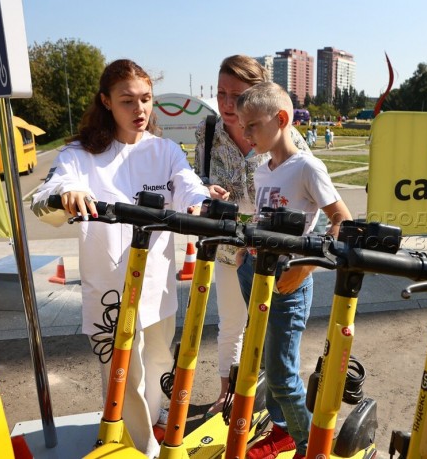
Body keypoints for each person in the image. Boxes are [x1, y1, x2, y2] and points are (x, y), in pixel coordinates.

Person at [30, 59, 209, 458]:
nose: (140, 110)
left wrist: (201, 204)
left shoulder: (164, 151)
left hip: (157, 283)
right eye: (127, 101)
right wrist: (68, 193)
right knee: (122, 375)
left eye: (146, 99)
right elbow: (54, 187)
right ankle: (138, 447)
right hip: (111, 288)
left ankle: (153, 430)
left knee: (160, 362)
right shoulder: (81, 153)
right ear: (105, 102)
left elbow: (188, 186)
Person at [235, 81, 352, 459]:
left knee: (283, 375)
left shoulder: (306, 166)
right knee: (265, 362)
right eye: (242, 125)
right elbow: (262, 218)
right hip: (255, 272)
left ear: (281, 119)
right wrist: (244, 252)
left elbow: (341, 222)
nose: (245, 133)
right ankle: (283, 430)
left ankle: (312, 447)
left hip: (288, 280)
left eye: (252, 125)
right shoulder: (262, 169)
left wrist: (305, 269)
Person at [193, 55, 311, 419]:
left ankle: (273, 401)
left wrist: (305, 265)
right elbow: (196, 179)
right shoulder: (208, 130)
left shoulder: (286, 136)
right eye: (221, 93)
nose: (227, 104)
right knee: (231, 319)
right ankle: (229, 393)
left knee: (274, 330)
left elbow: (315, 202)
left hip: (273, 251)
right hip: (230, 245)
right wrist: (205, 192)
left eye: (237, 95)